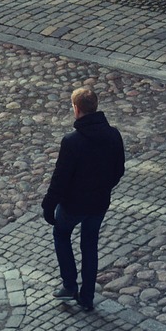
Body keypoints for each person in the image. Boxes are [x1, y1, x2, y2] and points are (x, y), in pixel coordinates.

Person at [42, 86, 125, 311]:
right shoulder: (113, 134)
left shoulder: (72, 141)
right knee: (90, 245)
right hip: (99, 203)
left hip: (73, 205)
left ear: (76, 109)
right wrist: (103, 188)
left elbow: (60, 179)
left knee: (61, 234)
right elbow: (118, 170)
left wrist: (48, 206)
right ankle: (87, 297)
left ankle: (69, 285)